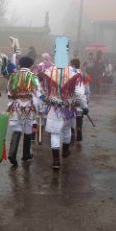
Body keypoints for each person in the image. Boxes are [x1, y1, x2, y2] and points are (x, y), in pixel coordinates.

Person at [40, 38, 87, 169]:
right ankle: (65, 151)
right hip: (69, 109)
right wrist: (84, 107)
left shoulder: (48, 72)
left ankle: (56, 160)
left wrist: (45, 100)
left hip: (53, 109)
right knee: (67, 130)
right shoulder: (75, 72)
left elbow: (41, 90)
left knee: (54, 134)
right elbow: (80, 94)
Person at [7, 56, 41, 166]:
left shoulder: (13, 76)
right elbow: (37, 93)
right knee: (27, 128)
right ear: (31, 65)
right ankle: (26, 154)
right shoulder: (33, 77)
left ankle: (12, 153)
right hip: (29, 106)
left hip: (16, 105)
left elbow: (9, 93)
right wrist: (39, 108)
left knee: (16, 128)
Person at [70, 59, 91, 144]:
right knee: (79, 118)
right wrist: (86, 104)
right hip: (81, 101)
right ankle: (79, 134)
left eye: (70, 64)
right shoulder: (84, 75)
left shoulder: (69, 75)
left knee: (71, 118)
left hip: (71, 101)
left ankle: (72, 134)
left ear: (73, 65)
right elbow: (87, 90)